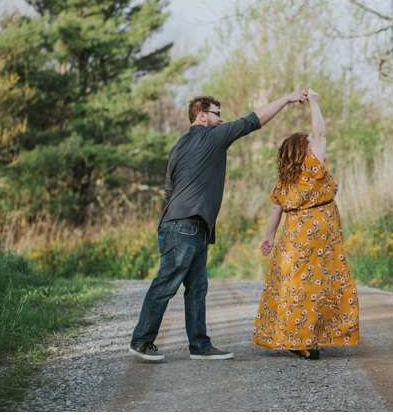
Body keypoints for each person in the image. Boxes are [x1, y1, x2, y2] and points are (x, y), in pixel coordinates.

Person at [130, 89, 310, 362]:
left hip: (187, 225)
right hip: (185, 226)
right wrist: (286, 99)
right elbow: (253, 120)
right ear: (201, 116)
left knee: (197, 289)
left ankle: (200, 346)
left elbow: (169, 190)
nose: (221, 119)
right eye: (217, 114)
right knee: (166, 284)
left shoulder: (177, 146)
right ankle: (141, 341)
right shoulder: (211, 137)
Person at [252, 89, 360, 359]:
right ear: (304, 151)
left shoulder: (285, 181)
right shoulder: (313, 167)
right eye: (310, 142)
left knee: (297, 287)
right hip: (318, 243)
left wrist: (269, 238)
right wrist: (313, 102)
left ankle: (300, 338)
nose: (316, 143)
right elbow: (322, 134)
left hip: (294, 239)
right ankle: (305, 339)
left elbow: (276, 211)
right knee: (319, 286)